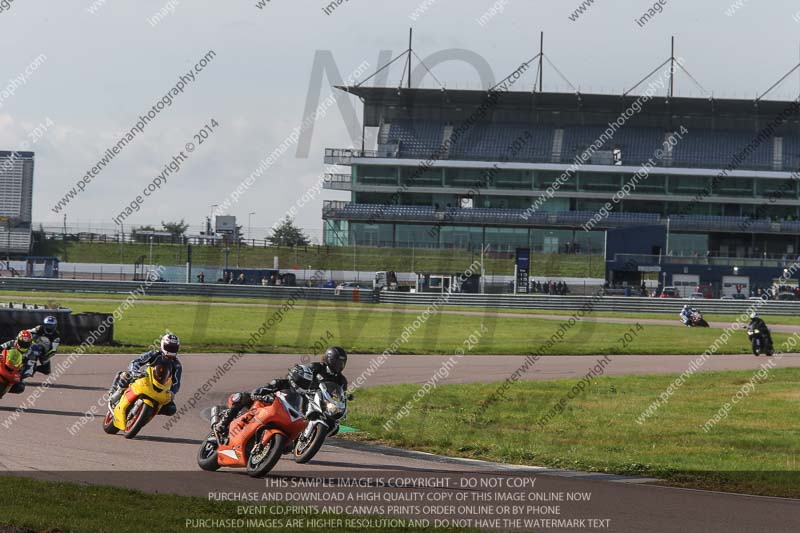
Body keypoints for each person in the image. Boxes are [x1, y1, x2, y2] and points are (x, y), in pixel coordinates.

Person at [214, 346, 349, 443]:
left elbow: (340, 394)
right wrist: (297, 378)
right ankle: (223, 423)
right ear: (329, 359)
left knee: (333, 426)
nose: (339, 365)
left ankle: (297, 438)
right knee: (247, 396)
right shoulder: (317, 367)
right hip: (298, 391)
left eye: (342, 362)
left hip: (316, 402)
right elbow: (300, 373)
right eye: (337, 361)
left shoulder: (341, 380)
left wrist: (341, 404)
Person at [109, 333, 182, 415]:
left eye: (174, 348)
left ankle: (148, 412)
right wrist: (135, 372)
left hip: (160, 387)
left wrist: (172, 392)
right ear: (162, 345)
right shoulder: (154, 354)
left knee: (172, 409)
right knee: (126, 376)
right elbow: (136, 362)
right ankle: (115, 394)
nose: (171, 350)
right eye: (169, 347)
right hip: (144, 379)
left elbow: (177, 382)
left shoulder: (177, 364)